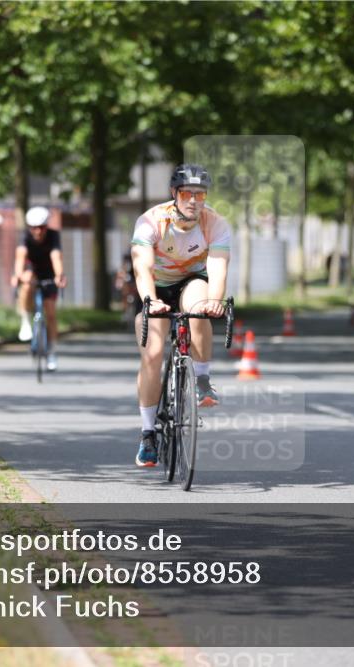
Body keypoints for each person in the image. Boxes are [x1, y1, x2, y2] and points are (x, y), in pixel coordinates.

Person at [130, 163, 231, 468]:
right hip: (155, 286)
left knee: (199, 309)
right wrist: (150, 300)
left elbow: (217, 267)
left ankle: (201, 380)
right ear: (175, 193)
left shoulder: (215, 222)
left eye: (200, 195)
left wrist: (216, 301)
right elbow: (142, 267)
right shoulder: (151, 221)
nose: (194, 200)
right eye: (187, 193)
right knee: (153, 352)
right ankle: (148, 433)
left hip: (191, 281)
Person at [11, 206, 66, 371]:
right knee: (27, 283)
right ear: (29, 228)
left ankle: (52, 352)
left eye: (41, 227)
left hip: (49, 274)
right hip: (32, 272)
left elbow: (56, 257)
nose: (38, 231)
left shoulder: (53, 236)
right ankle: (26, 321)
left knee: (50, 314)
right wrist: (18, 275)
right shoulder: (25, 238)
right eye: (34, 227)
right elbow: (20, 257)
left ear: (46, 227)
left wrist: (60, 275)